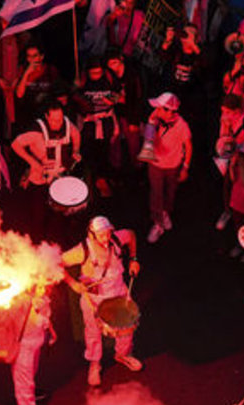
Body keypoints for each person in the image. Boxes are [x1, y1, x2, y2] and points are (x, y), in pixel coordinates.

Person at [62, 216, 142, 387]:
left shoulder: (117, 239)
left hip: (118, 290)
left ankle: (123, 354)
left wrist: (134, 260)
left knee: (126, 325)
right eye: (101, 235)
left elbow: (131, 235)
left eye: (108, 233)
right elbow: (57, 261)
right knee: (93, 332)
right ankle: (94, 363)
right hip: (95, 298)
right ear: (92, 235)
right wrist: (73, 283)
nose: (106, 238)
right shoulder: (82, 250)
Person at [0, 280, 56, 405]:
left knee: (31, 374)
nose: (45, 286)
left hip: (36, 343)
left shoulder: (42, 297)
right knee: (24, 385)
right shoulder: (18, 300)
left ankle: (31, 393)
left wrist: (51, 332)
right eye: (40, 284)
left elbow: (44, 317)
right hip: (22, 349)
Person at [137, 93, 192, 243]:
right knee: (156, 193)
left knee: (170, 192)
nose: (156, 110)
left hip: (173, 165)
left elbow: (188, 146)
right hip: (155, 164)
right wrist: (150, 121)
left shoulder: (182, 125)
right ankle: (157, 223)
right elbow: (148, 140)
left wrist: (185, 167)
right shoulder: (155, 120)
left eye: (160, 108)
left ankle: (165, 212)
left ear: (170, 111)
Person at [11, 103, 80, 192]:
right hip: (39, 177)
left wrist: (76, 150)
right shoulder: (36, 131)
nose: (58, 124)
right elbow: (15, 145)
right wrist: (33, 163)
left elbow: (76, 134)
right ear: (47, 117)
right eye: (54, 121)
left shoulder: (67, 125)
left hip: (61, 175)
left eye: (60, 120)